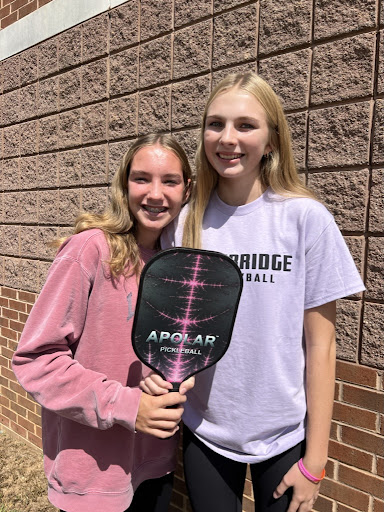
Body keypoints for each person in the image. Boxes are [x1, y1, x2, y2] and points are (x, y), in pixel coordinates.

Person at [140, 73, 365, 512]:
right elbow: (172, 325)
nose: (227, 138)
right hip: (206, 429)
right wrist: (156, 369)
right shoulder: (185, 222)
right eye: (215, 124)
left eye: (245, 125)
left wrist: (315, 462)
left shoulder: (305, 219)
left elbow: (322, 346)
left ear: (272, 140)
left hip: (283, 435)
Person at [12, 133, 194, 512]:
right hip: (92, 473)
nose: (155, 194)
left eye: (170, 181)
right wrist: (127, 405)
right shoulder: (91, 249)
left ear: (187, 189)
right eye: (142, 178)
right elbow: (36, 361)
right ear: (124, 184)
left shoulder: (177, 265)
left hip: (153, 464)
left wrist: (177, 371)